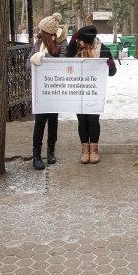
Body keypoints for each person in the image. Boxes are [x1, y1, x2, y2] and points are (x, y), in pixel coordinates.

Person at [66, 25, 117, 164]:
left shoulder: (103, 50)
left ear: (88, 42)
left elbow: (111, 73)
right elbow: (66, 63)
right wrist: (72, 44)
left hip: (95, 91)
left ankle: (94, 150)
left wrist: (111, 66)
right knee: (82, 120)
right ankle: (85, 150)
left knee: (93, 120)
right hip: (79, 90)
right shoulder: (76, 49)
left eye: (81, 40)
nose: (79, 43)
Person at [27, 13, 68, 170]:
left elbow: (62, 63)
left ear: (49, 33)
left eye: (41, 32)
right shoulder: (38, 43)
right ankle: (36, 155)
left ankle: (51, 151)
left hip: (55, 88)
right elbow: (28, 62)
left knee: (53, 120)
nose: (38, 34)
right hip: (40, 89)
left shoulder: (62, 43)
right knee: (39, 122)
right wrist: (35, 61)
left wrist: (44, 56)